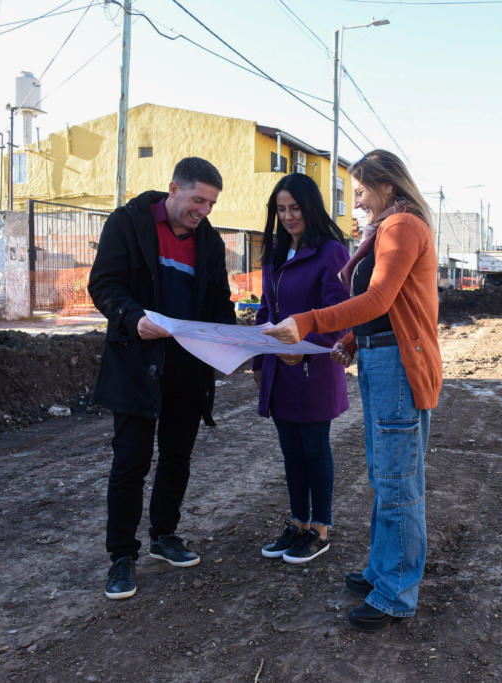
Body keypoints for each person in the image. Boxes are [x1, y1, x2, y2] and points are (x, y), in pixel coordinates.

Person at [263, 150, 441, 631]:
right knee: (386, 475)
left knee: (397, 482)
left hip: (399, 366)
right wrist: (350, 339)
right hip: (384, 359)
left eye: (359, 190)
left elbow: (378, 298)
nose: (355, 200)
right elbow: (387, 309)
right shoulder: (387, 228)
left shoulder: (401, 227)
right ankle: (383, 571)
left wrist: (311, 322)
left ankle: (396, 592)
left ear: (385, 185)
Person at [88, 157, 236, 600]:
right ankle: (121, 557)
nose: (203, 211)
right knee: (130, 462)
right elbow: (105, 284)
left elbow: (218, 302)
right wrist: (132, 319)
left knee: (177, 457)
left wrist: (232, 340)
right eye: (197, 200)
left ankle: (164, 535)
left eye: (210, 203)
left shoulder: (209, 242)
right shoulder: (128, 224)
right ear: (173, 189)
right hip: (138, 363)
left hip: (188, 369)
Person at [252, 173, 350, 564]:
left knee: (314, 448)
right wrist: (259, 359)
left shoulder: (331, 252)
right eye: (281, 209)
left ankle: (321, 527)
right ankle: (297, 523)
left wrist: (310, 353)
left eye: (295, 208)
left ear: (311, 207)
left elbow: (339, 313)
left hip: (314, 369)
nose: (289, 216)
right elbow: (265, 310)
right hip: (279, 370)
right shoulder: (275, 254)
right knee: (290, 451)